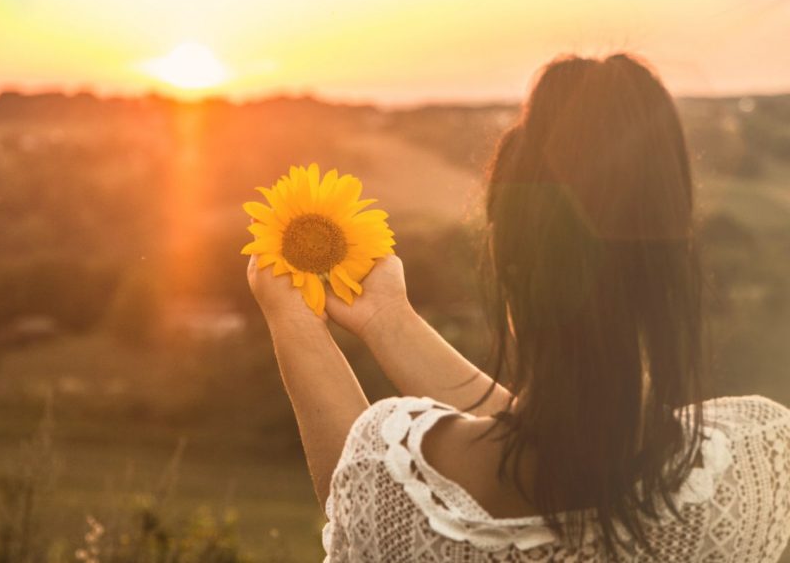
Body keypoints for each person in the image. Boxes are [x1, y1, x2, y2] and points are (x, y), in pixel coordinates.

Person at [246, 53, 790, 562]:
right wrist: (387, 319)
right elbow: (569, 440)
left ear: (505, 261)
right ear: (675, 262)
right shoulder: (756, 472)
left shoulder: (394, 497)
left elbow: (357, 491)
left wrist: (292, 318)